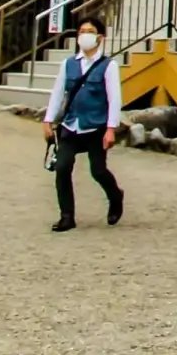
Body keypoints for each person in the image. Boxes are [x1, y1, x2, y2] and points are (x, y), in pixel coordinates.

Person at [42, 14, 124, 233]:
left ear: (100, 38)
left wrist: (110, 129)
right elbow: (58, 93)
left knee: (98, 170)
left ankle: (116, 196)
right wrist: (48, 120)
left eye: (89, 32)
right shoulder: (68, 64)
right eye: (81, 32)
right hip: (71, 125)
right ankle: (66, 216)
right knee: (62, 167)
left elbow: (114, 98)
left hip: (96, 127)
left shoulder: (108, 65)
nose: (84, 36)